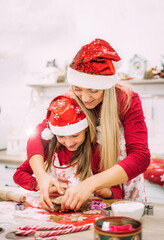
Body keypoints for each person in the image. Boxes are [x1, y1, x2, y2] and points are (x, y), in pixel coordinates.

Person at [25, 38, 150, 212]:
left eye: (93, 90)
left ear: (106, 86)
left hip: (123, 190)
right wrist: (42, 177)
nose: (84, 98)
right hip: (88, 196)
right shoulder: (70, 99)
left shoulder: (127, 100)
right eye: (78, 89)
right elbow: (37, 136)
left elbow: (140, 157)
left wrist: (90, 184)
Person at [13, 95, 123, 210]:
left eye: (75, 135)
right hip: (53, 211)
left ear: (86, 129)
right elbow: (19, 175)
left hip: (83, 212)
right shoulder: (50, 149)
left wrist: (101, 189)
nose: (69, 142)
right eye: (61, 136)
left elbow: (117, 192)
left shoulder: (95, 152)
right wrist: (40, 184)